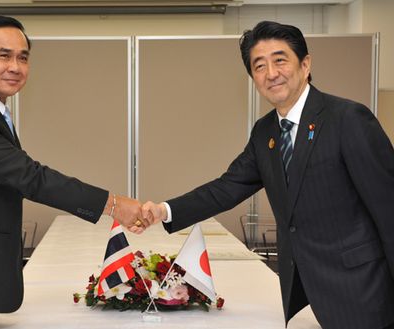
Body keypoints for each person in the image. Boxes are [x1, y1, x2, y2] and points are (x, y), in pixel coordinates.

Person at [142, 20, 394, 329]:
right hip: (310, 295)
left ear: (305, 64)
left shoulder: (347, 119)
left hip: (364, 291)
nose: (271, 73)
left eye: (280, 60)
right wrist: (163, 211)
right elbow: (227, 187)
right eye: (259, 66)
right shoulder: (266, 132)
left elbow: (388, 209)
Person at [0, 15, 148, 329]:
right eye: (3, 55)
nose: (16, 67)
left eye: (23, 57)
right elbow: (29, 176)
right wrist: (114, 204)